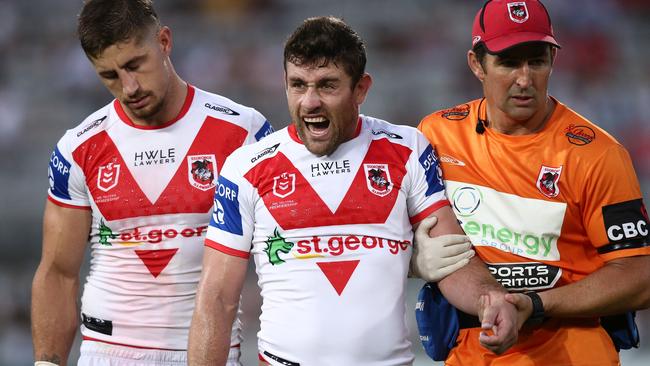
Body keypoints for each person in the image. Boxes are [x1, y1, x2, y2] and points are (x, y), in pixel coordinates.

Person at [188, 16, 525, 366]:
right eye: (298, 85)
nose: (309, 102)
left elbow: (453, 259)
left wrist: (492, 299)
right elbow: (216, 299)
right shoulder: (247, 167)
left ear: (361, 89)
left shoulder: (407, 148)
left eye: (327, 86)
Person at [30, 1, 273, 365]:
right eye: (109, 75)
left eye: (134, 65)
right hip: (104, 352)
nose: (128, 87)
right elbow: (58, 272)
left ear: (164, 42)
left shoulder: (244, 132)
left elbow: (285, 253)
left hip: (206, 354)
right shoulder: (78, 148)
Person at [417, 0, 650, 365]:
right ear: (476, 64)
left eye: (537, 61)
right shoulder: (436, 135)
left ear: (553, 63)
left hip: (574, 354)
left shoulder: (597, 154)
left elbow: (640, 274)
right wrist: (419, 260)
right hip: (470, 355)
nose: (525, 79)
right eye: (509, 62)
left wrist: (537, 304)